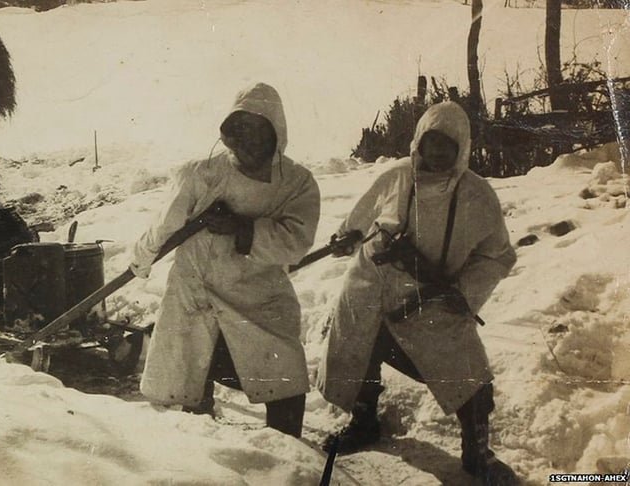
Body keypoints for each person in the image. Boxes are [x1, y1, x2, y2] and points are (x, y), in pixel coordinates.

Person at [316, 101, 518, 484]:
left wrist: (463, 294)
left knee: (469, 371)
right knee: (360, 347)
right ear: (418, 143)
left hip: (431, 300)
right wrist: (346, 237)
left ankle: (477, 451)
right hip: (372, 286)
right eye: (431, 142)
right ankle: (363, 423)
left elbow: (497, 255)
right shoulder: (395, 176)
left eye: (448, 145)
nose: (438, 152)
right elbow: (359, 221)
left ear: (462, 148)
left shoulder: (478, 195)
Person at [130, 82, 320, 438]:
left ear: (275, 132)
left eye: (256, 130)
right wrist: (140, 258)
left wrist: (242, 228)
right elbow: (164, 225)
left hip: (258, 295)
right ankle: (206, 453)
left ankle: (289, 457)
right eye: (239, 130)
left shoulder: (297, 183)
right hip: (196, 290)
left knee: (284, 376)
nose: (246, 140)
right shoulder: (202, 174)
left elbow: (295, 242)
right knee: (191, 377)